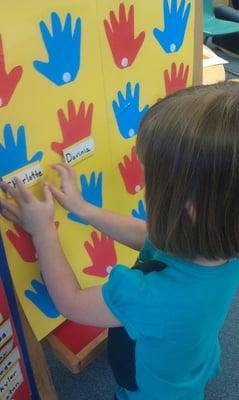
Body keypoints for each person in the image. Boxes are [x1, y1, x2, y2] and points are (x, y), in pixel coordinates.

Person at [1, 81, 239, 400]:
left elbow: (70, 302)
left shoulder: (149, 296)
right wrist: (85, 210)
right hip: (189, 360)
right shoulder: (219, 245)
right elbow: (147, 236)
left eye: (149, 181)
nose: (142, 188)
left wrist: (42, 230)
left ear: (188, 210)